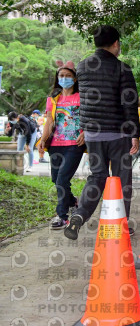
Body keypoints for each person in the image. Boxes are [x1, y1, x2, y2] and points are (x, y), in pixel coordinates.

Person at [64, 25, 140, 241]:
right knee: (121, 179)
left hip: (92, 134)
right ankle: (120, 225)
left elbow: (81, 99)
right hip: (118, 134)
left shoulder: (82, 66)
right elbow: (129, 104)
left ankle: (79, 215)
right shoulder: (122, 69)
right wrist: (135, 133)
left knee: (97, 177)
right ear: (116, 43)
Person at [38, 60, 86, 229]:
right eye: (61, 76)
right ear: (57, 78)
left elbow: (89, 117)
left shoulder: (82, 96)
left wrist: (85, 132)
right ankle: (73, 201)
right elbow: (49, 121)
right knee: (56, 179)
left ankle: (62, 216)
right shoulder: (53, 99)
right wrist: (43, 139)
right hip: (56, 145)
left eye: (68, 76)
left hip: (75, 144)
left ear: (75, 79)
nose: (64, 78)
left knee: (62, 178)